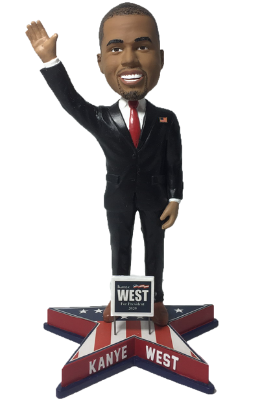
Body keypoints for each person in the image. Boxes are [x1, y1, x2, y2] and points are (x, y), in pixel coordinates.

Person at [26, 3, 183, 326]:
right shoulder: (101, 118)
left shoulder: (166, 119)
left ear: (161, 58)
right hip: (118, 197)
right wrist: (50, 61)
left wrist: (175, 198)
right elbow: (71, 102)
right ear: (100, 61)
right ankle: (120, 299)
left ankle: (156, 300)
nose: (129, 59)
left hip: (155, 199)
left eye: (142, 47)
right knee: (120, 248)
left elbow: (174, 162)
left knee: (155, 249)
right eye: (116, 48)